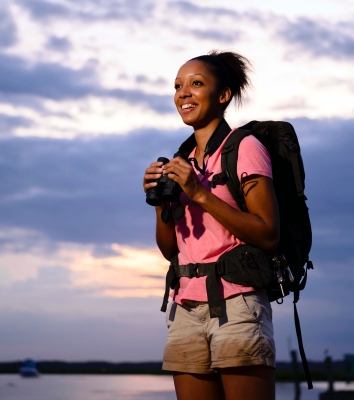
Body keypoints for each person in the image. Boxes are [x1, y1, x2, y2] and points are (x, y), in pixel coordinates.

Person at [142, 51, 278, 400]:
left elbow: (268, 233)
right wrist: (159, 202)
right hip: (185, 305)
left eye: (196, 84)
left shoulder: (245, 148)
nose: (183, 93)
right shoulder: (181, 161)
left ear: (223, 95)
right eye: (178, 86)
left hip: (237, 302)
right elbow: (170, 250)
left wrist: (199, 194)